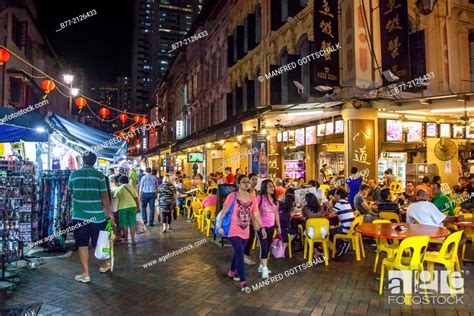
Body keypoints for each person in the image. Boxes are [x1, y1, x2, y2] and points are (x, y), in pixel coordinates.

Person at [68, 152, 114, 283]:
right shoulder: (99, 176)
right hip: (97, 217)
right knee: (98, 243)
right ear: (94, 162)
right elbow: (104, 196)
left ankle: (85, 274)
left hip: (79, 216)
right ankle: (103, 265)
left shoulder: (74, 174)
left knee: (82, 244)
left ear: (83, 160)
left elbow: (71, 191)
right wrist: (109, 212)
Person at [217, 175, 266, 292]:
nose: (246, 184)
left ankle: (232, 271)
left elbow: (256, 214)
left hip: (245, 230)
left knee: (239, 251)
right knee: (240, 254)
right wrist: (219, 225)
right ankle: (243, 281)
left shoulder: (252, 197)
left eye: (247, 182)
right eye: (243, 182)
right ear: (238, 184)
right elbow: (223, 212)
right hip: (233, 229)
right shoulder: (232, 196)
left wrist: (262, 227)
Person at [255, 179, 281, 279]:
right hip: (262, 227)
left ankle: (261, 266)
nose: (272, 188)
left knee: (268, 246)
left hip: (271, 226)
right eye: (269, 186)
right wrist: (258, 226)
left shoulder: (275, 200)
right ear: (264, 187)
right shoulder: (259, 198)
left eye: (272, 186)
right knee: (264, 246)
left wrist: (278, 227)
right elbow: (254, 212)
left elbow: (276, 214)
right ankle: (265, 269)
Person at [328, 188, 354, 257]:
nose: (334, 195)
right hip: (351, 227)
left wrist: (329, 206)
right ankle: (341, 245)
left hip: (345, 228)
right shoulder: (346, 202)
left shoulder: (339, 203)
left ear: (338, 195)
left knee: (329, 233)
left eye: (335, 194)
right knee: (333, 230)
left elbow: (330, 215)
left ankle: (342, 245)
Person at [114, 175, 139, 245]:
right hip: (132, 206)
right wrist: (138, 207)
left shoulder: (119, 189)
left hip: (122, 208)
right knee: (132, 223)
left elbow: (115, 198)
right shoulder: (132, 187)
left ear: (120, 182)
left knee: (124, 224)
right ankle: (133, 240)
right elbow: (136, 197)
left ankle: (126, 239)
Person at [244, 173, 258, 265]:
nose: (255, 181)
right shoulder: (246, 191)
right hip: (246, 217)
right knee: (247, 236)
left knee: (251, 235)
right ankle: (244, 255)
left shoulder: (255, 191)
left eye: (256, 179)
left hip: (253, 217)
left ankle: (246, 255)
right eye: (253, 179)